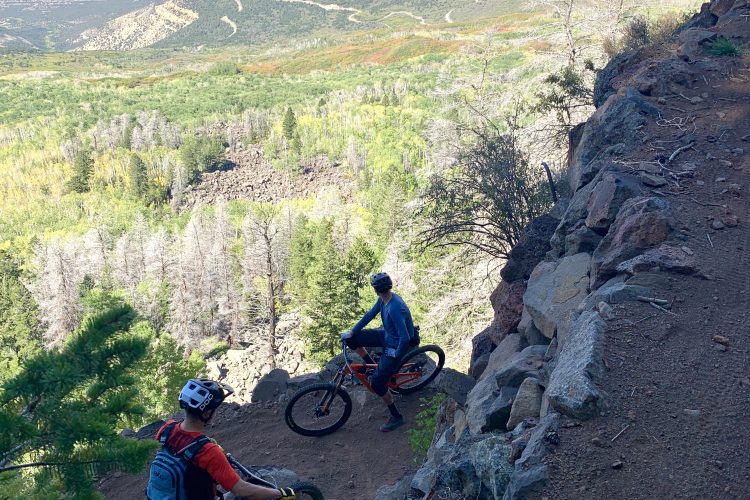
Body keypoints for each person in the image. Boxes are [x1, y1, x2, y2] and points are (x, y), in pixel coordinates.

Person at [147, 378, 297, 500]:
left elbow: (181, 449)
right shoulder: (208, 452)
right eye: (215, 409)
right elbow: (241, 489)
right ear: (206, 414)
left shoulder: (166, 429)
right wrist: (280, 493)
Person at [341, 272, 418, 432]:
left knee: (376, 383)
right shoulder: (385, 299)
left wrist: (395, 355)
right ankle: (372, 365)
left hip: (396, 345)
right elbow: (370, 315)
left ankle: (396, 417)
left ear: (376, 289)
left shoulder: (395, 308)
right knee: (353, 340)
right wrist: (352, 332)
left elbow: (404, 338)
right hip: (388, 336)